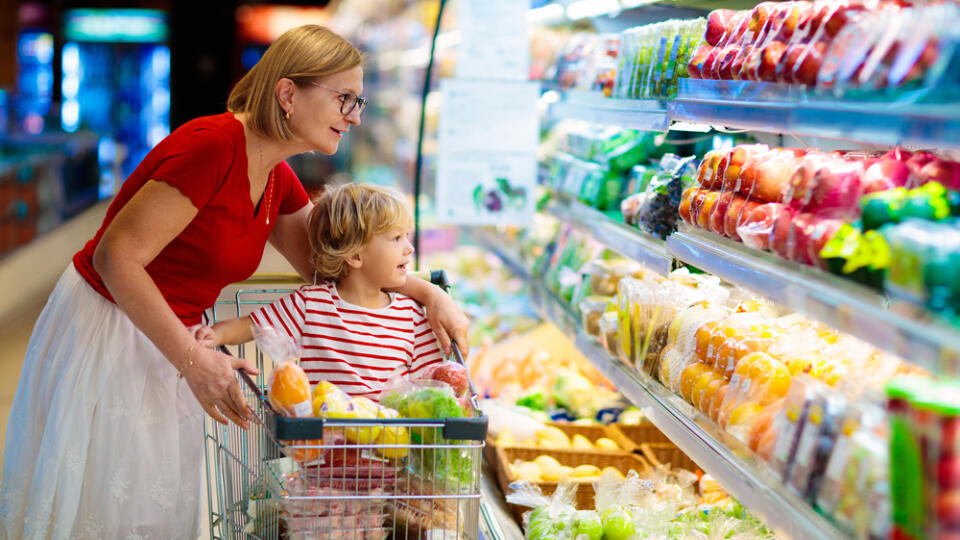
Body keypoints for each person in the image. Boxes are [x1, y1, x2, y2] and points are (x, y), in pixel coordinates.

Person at [0, 25, 468, 539]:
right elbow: (117, 258)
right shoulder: (212, 147)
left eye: (358, 102)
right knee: (111, 507)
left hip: (171, 335)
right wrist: (196, 358)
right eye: (344, 99)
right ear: (288, 94)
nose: (354, 116)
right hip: (113, 325)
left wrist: (428, 293)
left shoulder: (275, 176)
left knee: (152, 505)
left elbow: (337, 264)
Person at [194, 183, 444, 399]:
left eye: (407, 237)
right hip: (324, 448)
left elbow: (432, 382)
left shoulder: (411, 315)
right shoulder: (312, 304)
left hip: (391, 448)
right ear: (355, 255)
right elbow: (250, 326)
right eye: (396, 238)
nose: (409, 248)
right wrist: (214, 335)